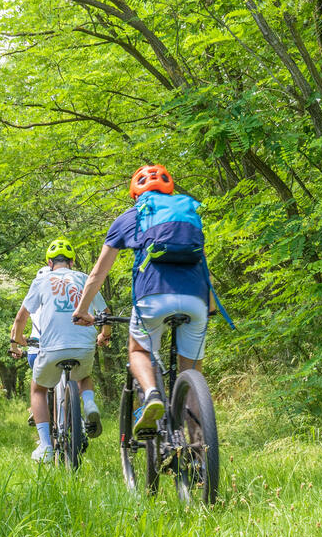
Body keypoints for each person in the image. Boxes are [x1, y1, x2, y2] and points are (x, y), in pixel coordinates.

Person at [73, 165, 213, 435]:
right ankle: (198, 455)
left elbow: (97, 274)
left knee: (139, 351)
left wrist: (82, 310)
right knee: (192, 371)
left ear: (135, 193)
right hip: (196, 298)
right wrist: (211, 306)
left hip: (153, 297)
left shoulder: (131, 216)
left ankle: (151, 396)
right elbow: (203, 263)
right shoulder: (189, 215)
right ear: (169, 188)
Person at [12, 238, 111, 463]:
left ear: (49, 263)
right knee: (83, 375)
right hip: (83, 345)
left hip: (52, 347)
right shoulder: (85, 279)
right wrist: (105, 334)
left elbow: (21, 318)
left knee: (38, 389)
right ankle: (89, 404)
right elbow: (105, 313)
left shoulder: (41, 280)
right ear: (72, 261)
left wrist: (18, 342)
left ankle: (46, 446)